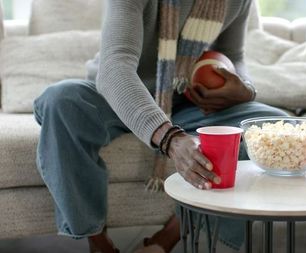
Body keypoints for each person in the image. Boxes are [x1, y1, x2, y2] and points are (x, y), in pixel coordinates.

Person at [33, 0, 288, 252]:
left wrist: (244, 89)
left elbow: (234, 56)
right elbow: (114, 67)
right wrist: (170, 139)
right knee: (60, 100)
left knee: (274, 127)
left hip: (184, 101)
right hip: (117, 96)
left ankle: (165, 240)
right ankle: (99, 243)